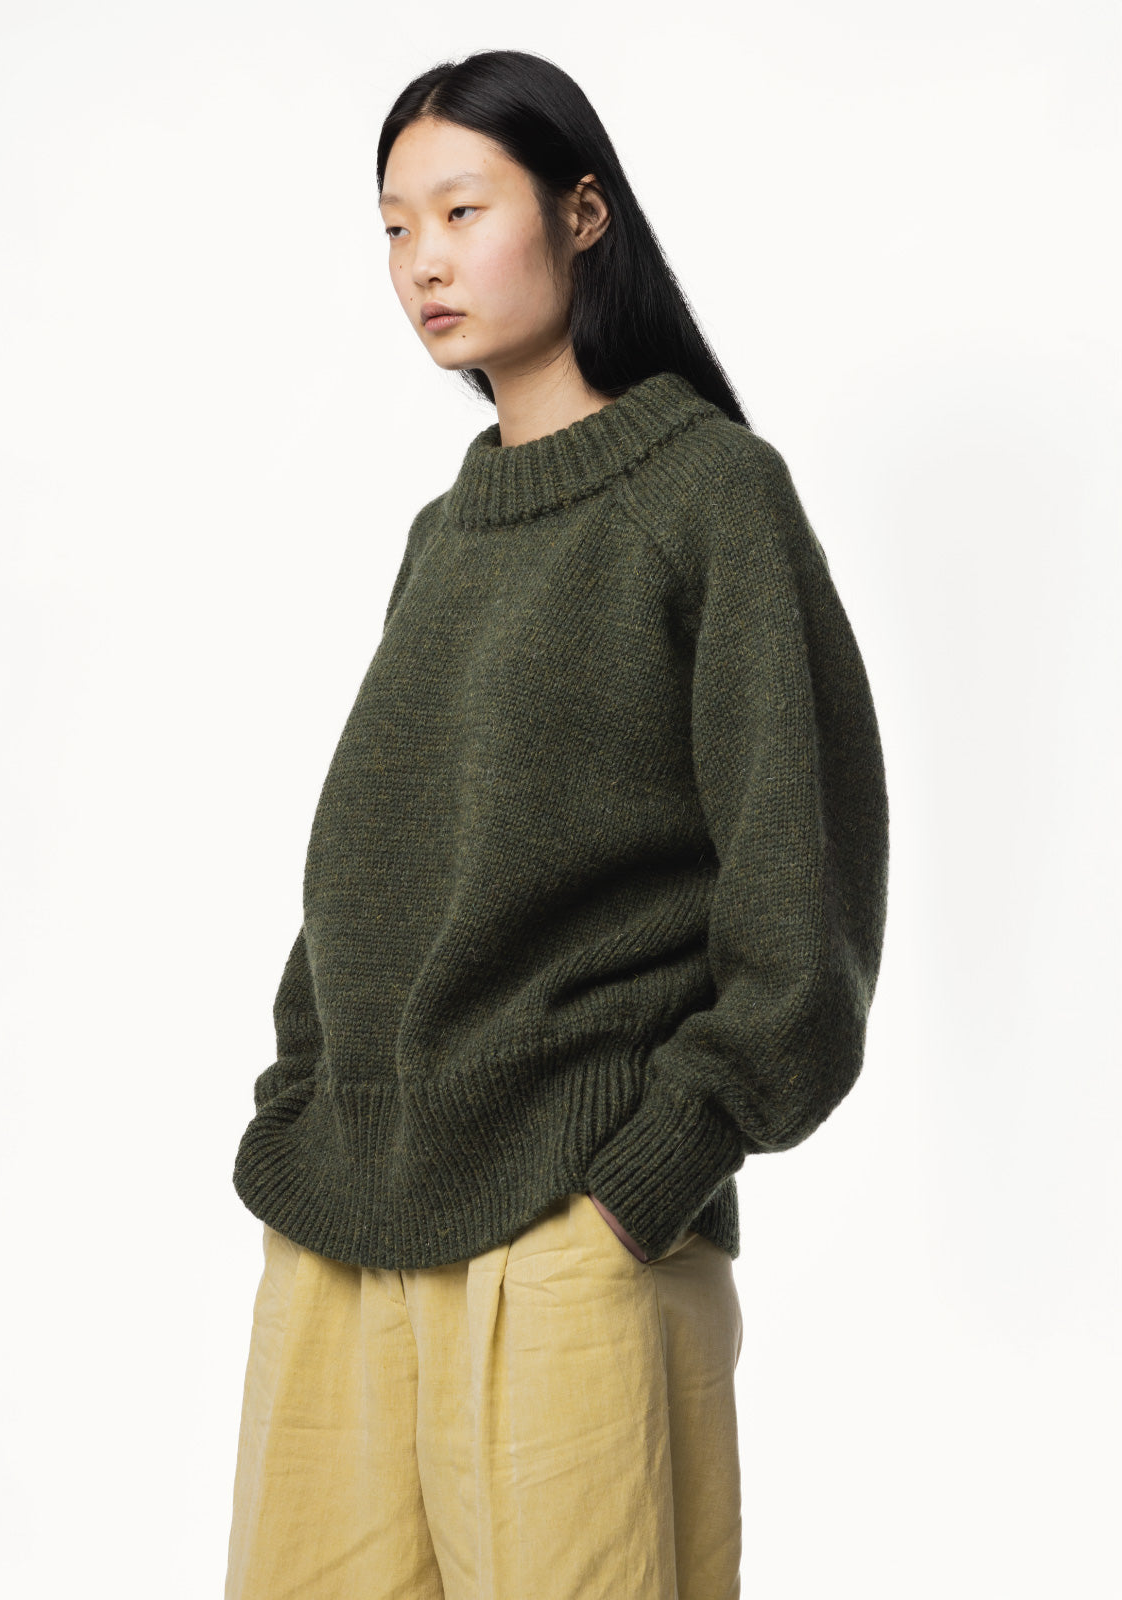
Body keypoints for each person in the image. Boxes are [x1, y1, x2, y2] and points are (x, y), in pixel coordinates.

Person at [224, 47, 889, 1600]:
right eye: (395, 225)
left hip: (570, 1230)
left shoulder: (709, 494)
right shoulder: (444, 533)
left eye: (464, 209)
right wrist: (297, 1100)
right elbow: (374, 855)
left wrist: (646, 1177)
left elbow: (804, 887)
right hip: (341, 1223)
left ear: (583, 213)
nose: (424, 261)